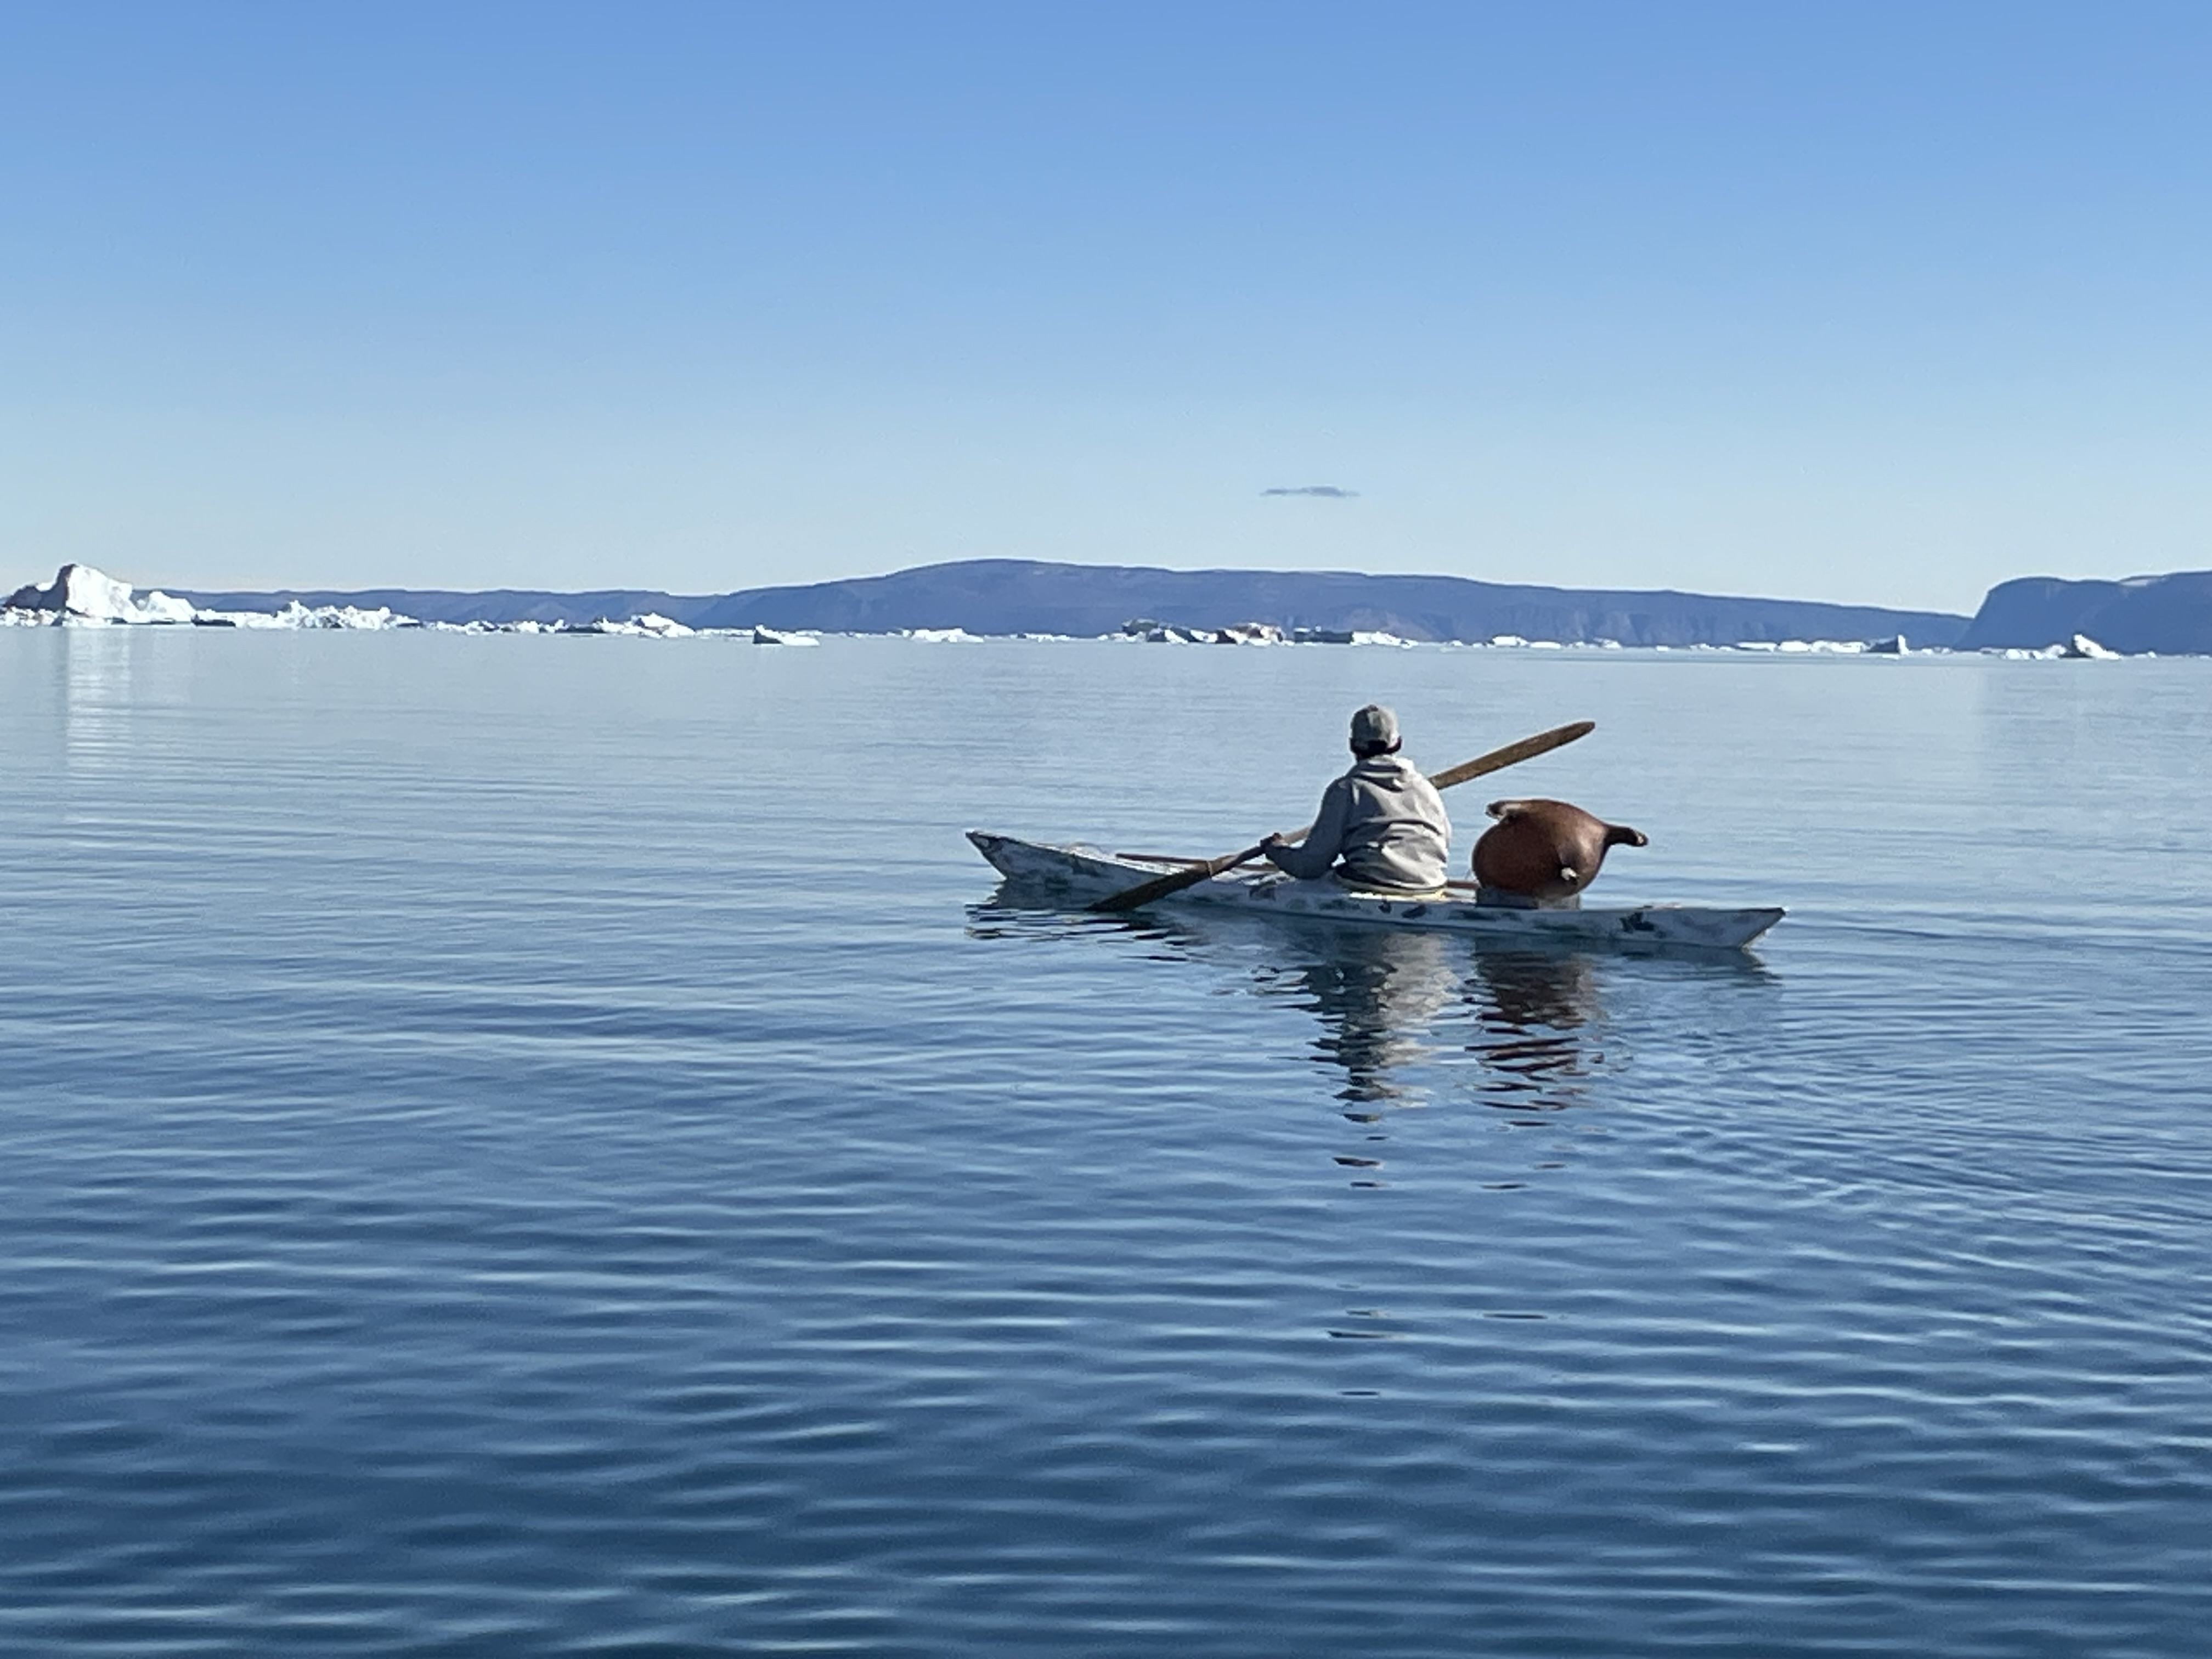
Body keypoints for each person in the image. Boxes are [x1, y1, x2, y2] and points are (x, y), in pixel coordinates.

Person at [1261, 705, 1451, 892]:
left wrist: (1276, 850)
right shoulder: (1426, 788)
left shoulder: (1346, 790)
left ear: (1352, 745)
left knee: (1311, 882)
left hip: (1375, 884)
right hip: (1431, 884)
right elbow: (1445, 838)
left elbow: (1310, 866)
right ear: (1398, 743)